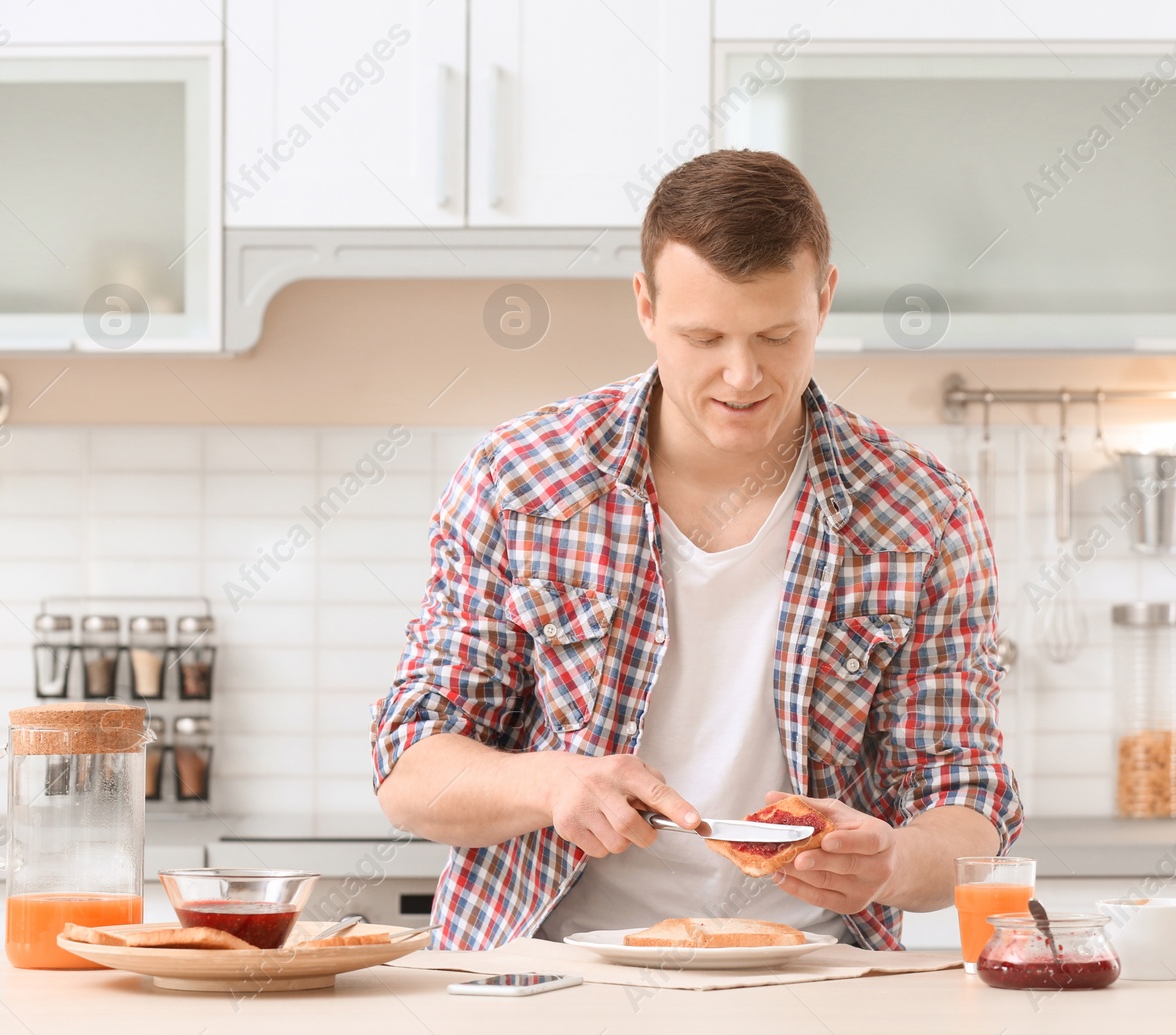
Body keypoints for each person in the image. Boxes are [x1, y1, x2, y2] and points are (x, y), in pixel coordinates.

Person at [371, 149, 1020, 951]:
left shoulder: (922, 514)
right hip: (546, 973)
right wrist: (553, 782)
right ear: (645, 306)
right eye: (703, 336)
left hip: (815, 979)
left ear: (825, 300)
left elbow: (966, 795)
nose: (742, 375)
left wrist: (896, 860)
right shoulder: (520, 479)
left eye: (777, 335)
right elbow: (411, 769)